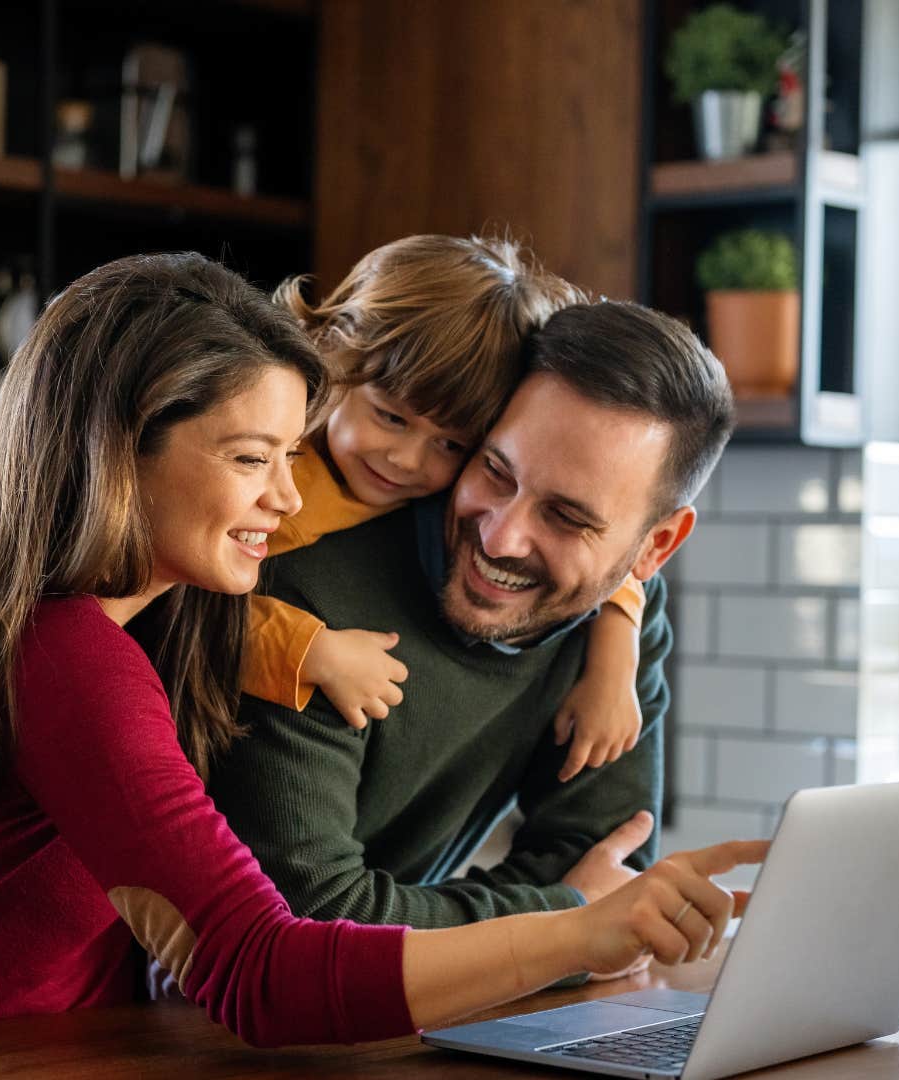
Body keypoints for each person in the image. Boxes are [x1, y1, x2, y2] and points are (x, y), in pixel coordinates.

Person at [0, 253, 765, 1066]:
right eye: (250, 457)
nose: (289, 501)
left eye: (292, 453)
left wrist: (619, 600)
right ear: (120, 453)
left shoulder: (141, 629)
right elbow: (259, 972)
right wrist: (579, 930)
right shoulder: (61, 653)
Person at [210, 299, 738, 935]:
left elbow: (602, 860)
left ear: (652, 549)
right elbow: (317, 919)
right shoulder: (307, 606)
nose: (502, 537)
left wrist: (574, 909)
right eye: (494, 469)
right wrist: (567, 922)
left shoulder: (611, 628)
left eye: (567, 518)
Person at [244, 234, 648, 781]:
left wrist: (614, 664)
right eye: (391, 416)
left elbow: (606, 555)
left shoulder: (451, 494)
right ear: (335, 347)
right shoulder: (262, 463)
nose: (406, 461)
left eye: (452, 444)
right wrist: (310, 652)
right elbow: (169, 605)